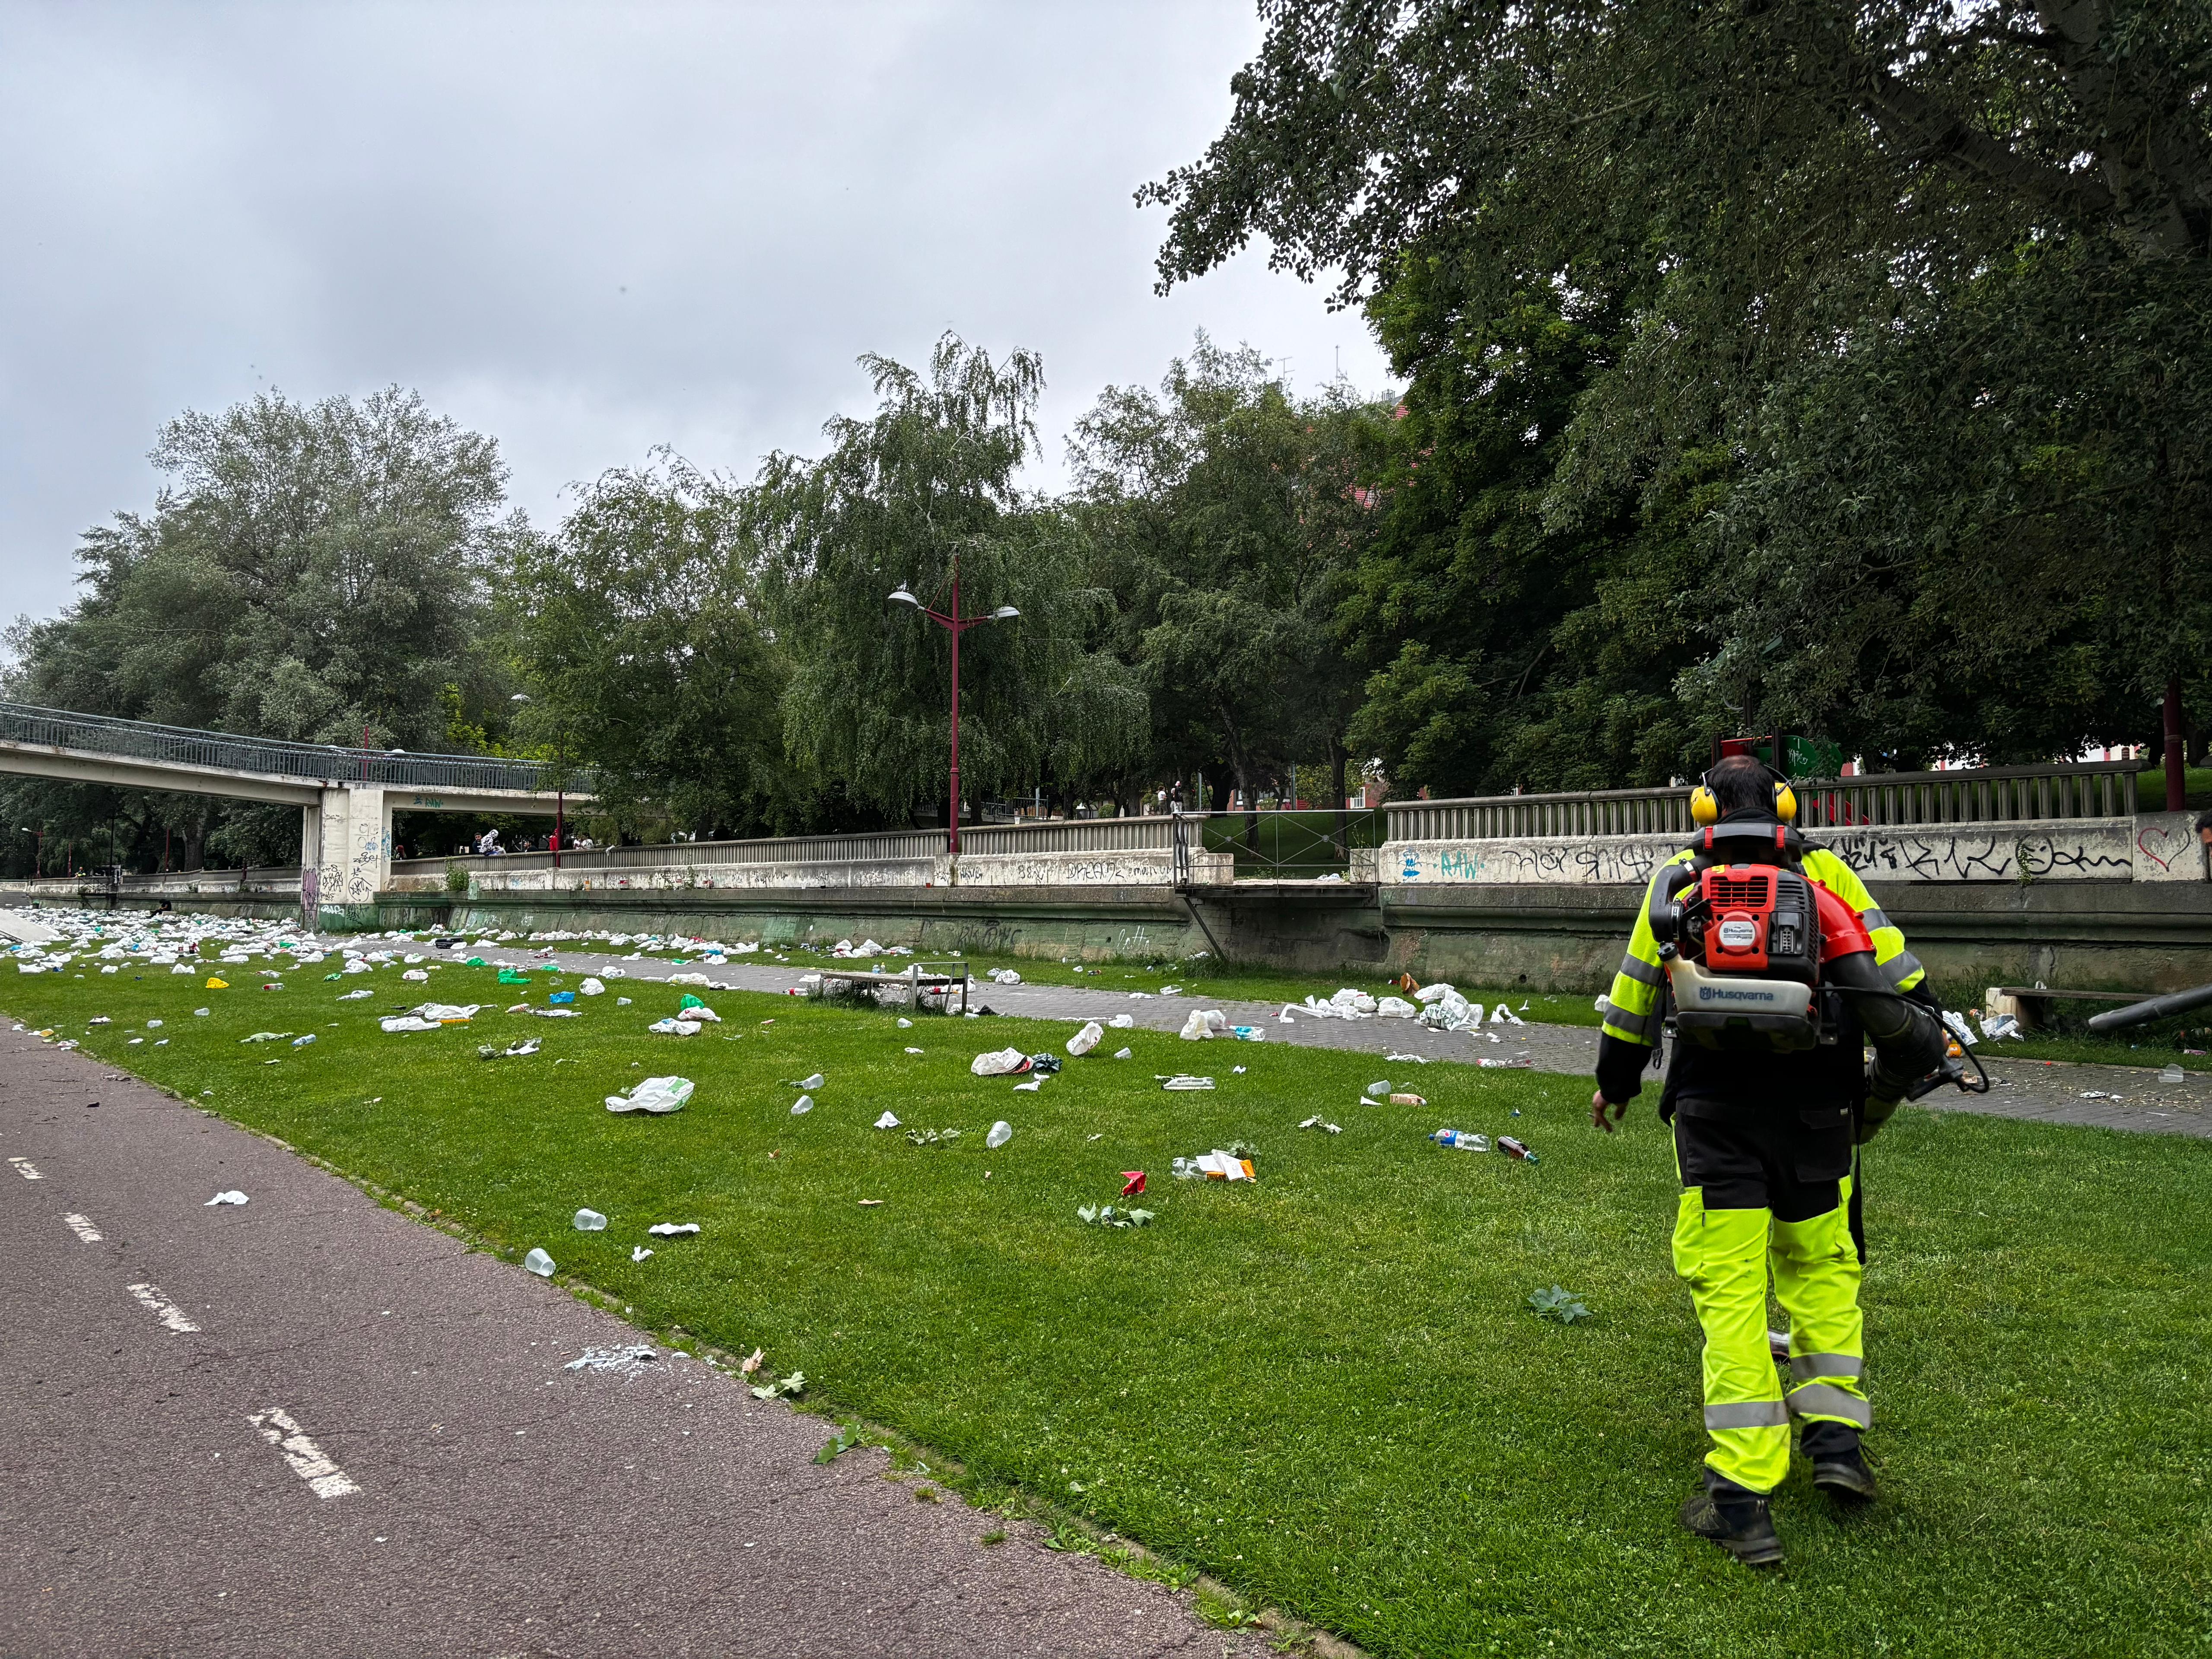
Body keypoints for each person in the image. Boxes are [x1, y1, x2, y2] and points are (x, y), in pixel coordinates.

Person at [1590, 753, 1938, 1567]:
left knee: (1734, 1293)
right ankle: (1838, 1447)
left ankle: (1742, 1497)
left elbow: (1637, 991)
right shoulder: (1828, 875)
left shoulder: (1676, 880)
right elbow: (1901, 981)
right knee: (1823, 1268)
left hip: (1716, 1117)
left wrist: (1616, 1086)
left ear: (1703, 809)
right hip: (1821, 1109)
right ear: (1786, 805)